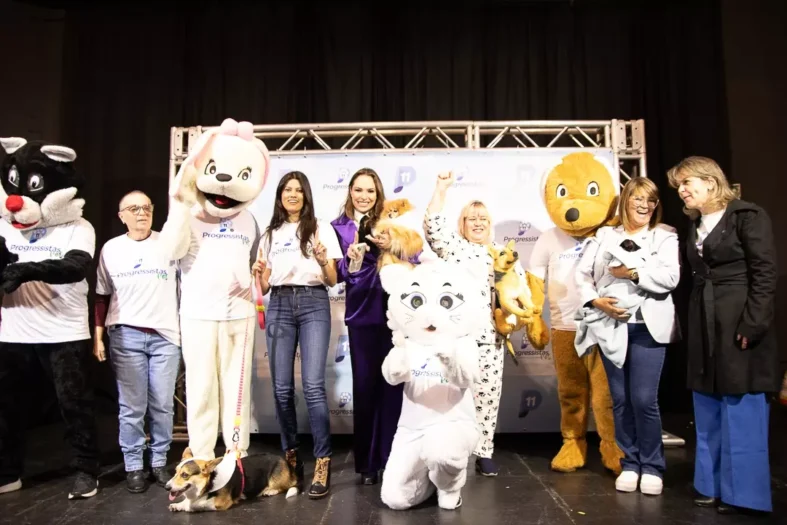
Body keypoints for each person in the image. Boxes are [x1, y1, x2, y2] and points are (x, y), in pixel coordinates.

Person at [669, 156, 779, 514]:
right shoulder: (696, 223)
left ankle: (743, 493)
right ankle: (710, 484)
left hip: (738, 319)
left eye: (687, 183)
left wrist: (754, 322)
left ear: (711, 182)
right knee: (707, 401)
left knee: (741, 401)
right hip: (705, 320)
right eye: (679, 185)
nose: (681, 190)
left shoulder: (747, 216)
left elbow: (764, 272)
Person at [575, 177, 680, 496]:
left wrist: (632, 273)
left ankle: (652, 466)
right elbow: (582, 275)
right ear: (625, 201)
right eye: (638, 198)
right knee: (619, 400)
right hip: (611, 326)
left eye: (651, 200)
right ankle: (630, 462)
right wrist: (596, 301)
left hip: (648, 328)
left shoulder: (665, 236)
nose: (644, 205)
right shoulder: (605, 236)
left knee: (644, 399)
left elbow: (670, 278)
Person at [423, 170, 527, 476]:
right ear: (463, 224)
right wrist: (441, 188)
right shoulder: (454, 247)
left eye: (483, 218)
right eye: (471, 218)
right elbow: (433, 225)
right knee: (452, 398)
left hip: (490, 339)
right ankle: (450, 452)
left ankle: (483, 451)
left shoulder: (502, 254)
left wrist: (514, 318)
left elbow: (520, 291)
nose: (478, 223)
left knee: (487, 397)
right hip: (456, 339)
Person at [253, 172, 341, 499]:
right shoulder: (270, 234)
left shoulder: (320, 228)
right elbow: (264, 286)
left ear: (306, 195)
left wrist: (323, 260)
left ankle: (322, 461)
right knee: (281, 388)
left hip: (313, 302)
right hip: (279, 303)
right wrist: (259, 276)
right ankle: (291, 458)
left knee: (314, 386)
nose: (293, 194)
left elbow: (332, 279)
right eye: (287, 190)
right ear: (279, 196)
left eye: (298, 190)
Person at [94, 191, 181, 493]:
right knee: (132, 407)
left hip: (165, 337)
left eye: (146, 207)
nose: (142, 213)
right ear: (122, 216)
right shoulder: (111, 249)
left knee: (163, 405)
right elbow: (102, 295)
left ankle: (159, 461)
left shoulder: (168, 244)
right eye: (134, 208)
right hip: (126, 335)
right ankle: (133, 466)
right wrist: (98, 337)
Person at [331, 168, 403, 485]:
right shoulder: (337, 227)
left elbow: (413, 257)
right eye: (359, 190)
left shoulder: (391, 223)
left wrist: (392, 245)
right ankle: (368, 464)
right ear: (350, 191)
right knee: (364, 389)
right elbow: (336, 273)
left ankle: (392, 459)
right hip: (361, 314)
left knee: (393, 387)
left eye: (370, 191)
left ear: (378, 194)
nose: (364, 196)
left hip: (393, 314)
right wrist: (350, 259)